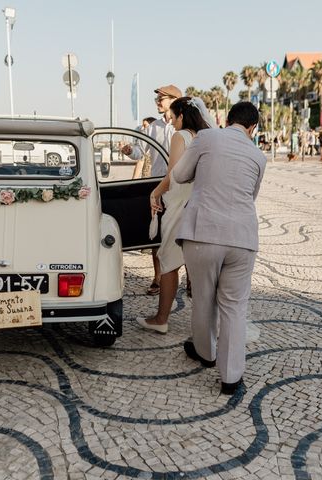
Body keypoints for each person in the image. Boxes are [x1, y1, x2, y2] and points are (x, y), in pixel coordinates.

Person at [172, 101, 266, 395]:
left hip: (203, 233)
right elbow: (251, 195)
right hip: (242, 237)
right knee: (235, 308)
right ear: (253, 128)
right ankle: (231, 378)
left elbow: (178, 175)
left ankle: (206, 353)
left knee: (203, 298)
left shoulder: (207, 137)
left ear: (227, 119)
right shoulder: (259, 156)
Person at [136, 97, 213, 334]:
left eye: (173, 115)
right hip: (201, 205)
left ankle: (161, 319)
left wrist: (154, 192)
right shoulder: (207, 137)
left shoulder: (181, 137)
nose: (170, 121)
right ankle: (208, 323)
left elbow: (174, 175)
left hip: (180, 206)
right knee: (199, 267)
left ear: (181, 116)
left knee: (169, 262)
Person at [121, 85, 182, 295]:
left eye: (161, 98)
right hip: (157, 186)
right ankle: (157, 278)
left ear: (174, 100)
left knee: (183, 233)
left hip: (180, 187)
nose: (157, 101)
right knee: (156, 233)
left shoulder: (182, 126)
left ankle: (190, 279)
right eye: (156, 98)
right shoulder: (153, 127)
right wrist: (130, 151)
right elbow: (140, 152)